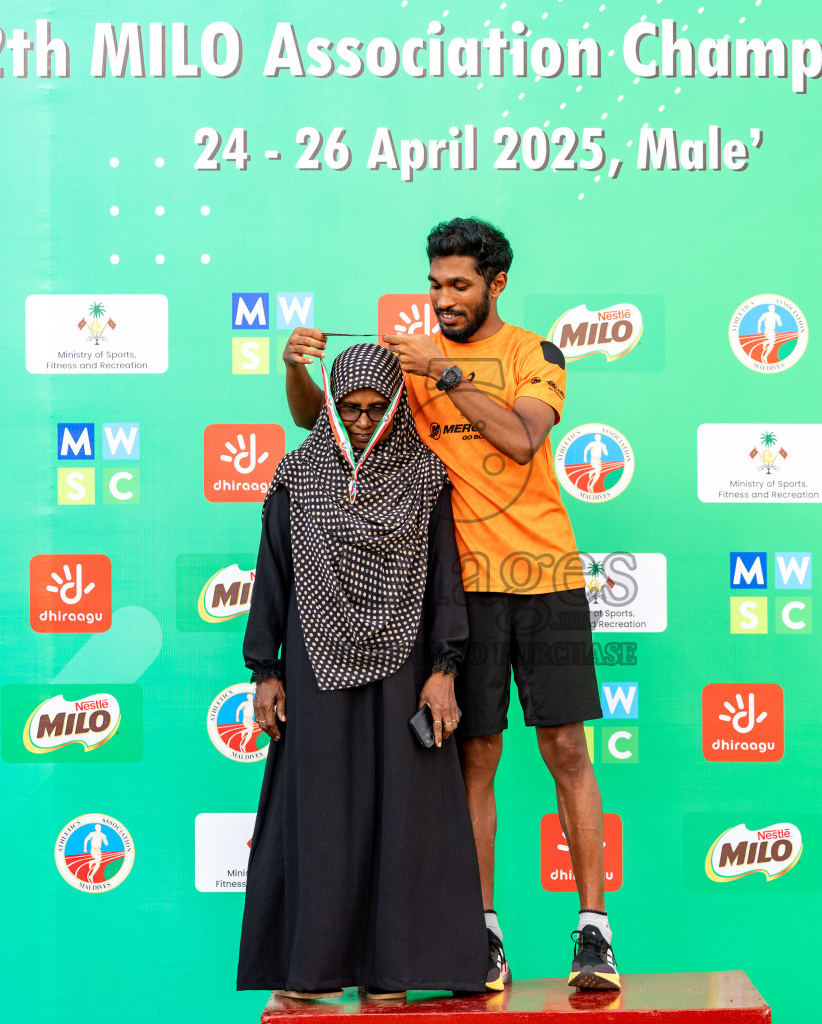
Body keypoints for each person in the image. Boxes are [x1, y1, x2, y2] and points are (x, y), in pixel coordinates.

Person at [281, 218, 620, 992]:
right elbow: (319, 419)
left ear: (496, 283)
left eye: (459, 285)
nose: (443, 299)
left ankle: (594, 931)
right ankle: (483, 931)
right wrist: (298, 368)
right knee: (475, 757)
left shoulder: (535, 353)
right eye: (435, 285)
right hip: (463, 589)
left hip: (546, 575)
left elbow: (524, 439)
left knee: (566, 750)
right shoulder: (412, 359)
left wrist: (447, 374)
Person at [238, 344, 485, 1001]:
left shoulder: (426, 476)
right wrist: (265, 671)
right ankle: (306, 978)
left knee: (402, 821)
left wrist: (445, 666)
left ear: (398, 407)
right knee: (318, 819)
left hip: (405, 669)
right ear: (333, 406)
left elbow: (444, 581)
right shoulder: (297, 475)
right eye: (350, 409)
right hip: (315, 668)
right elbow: (274, 576)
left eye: (378, 409)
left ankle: (391, 976)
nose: (364, 421)